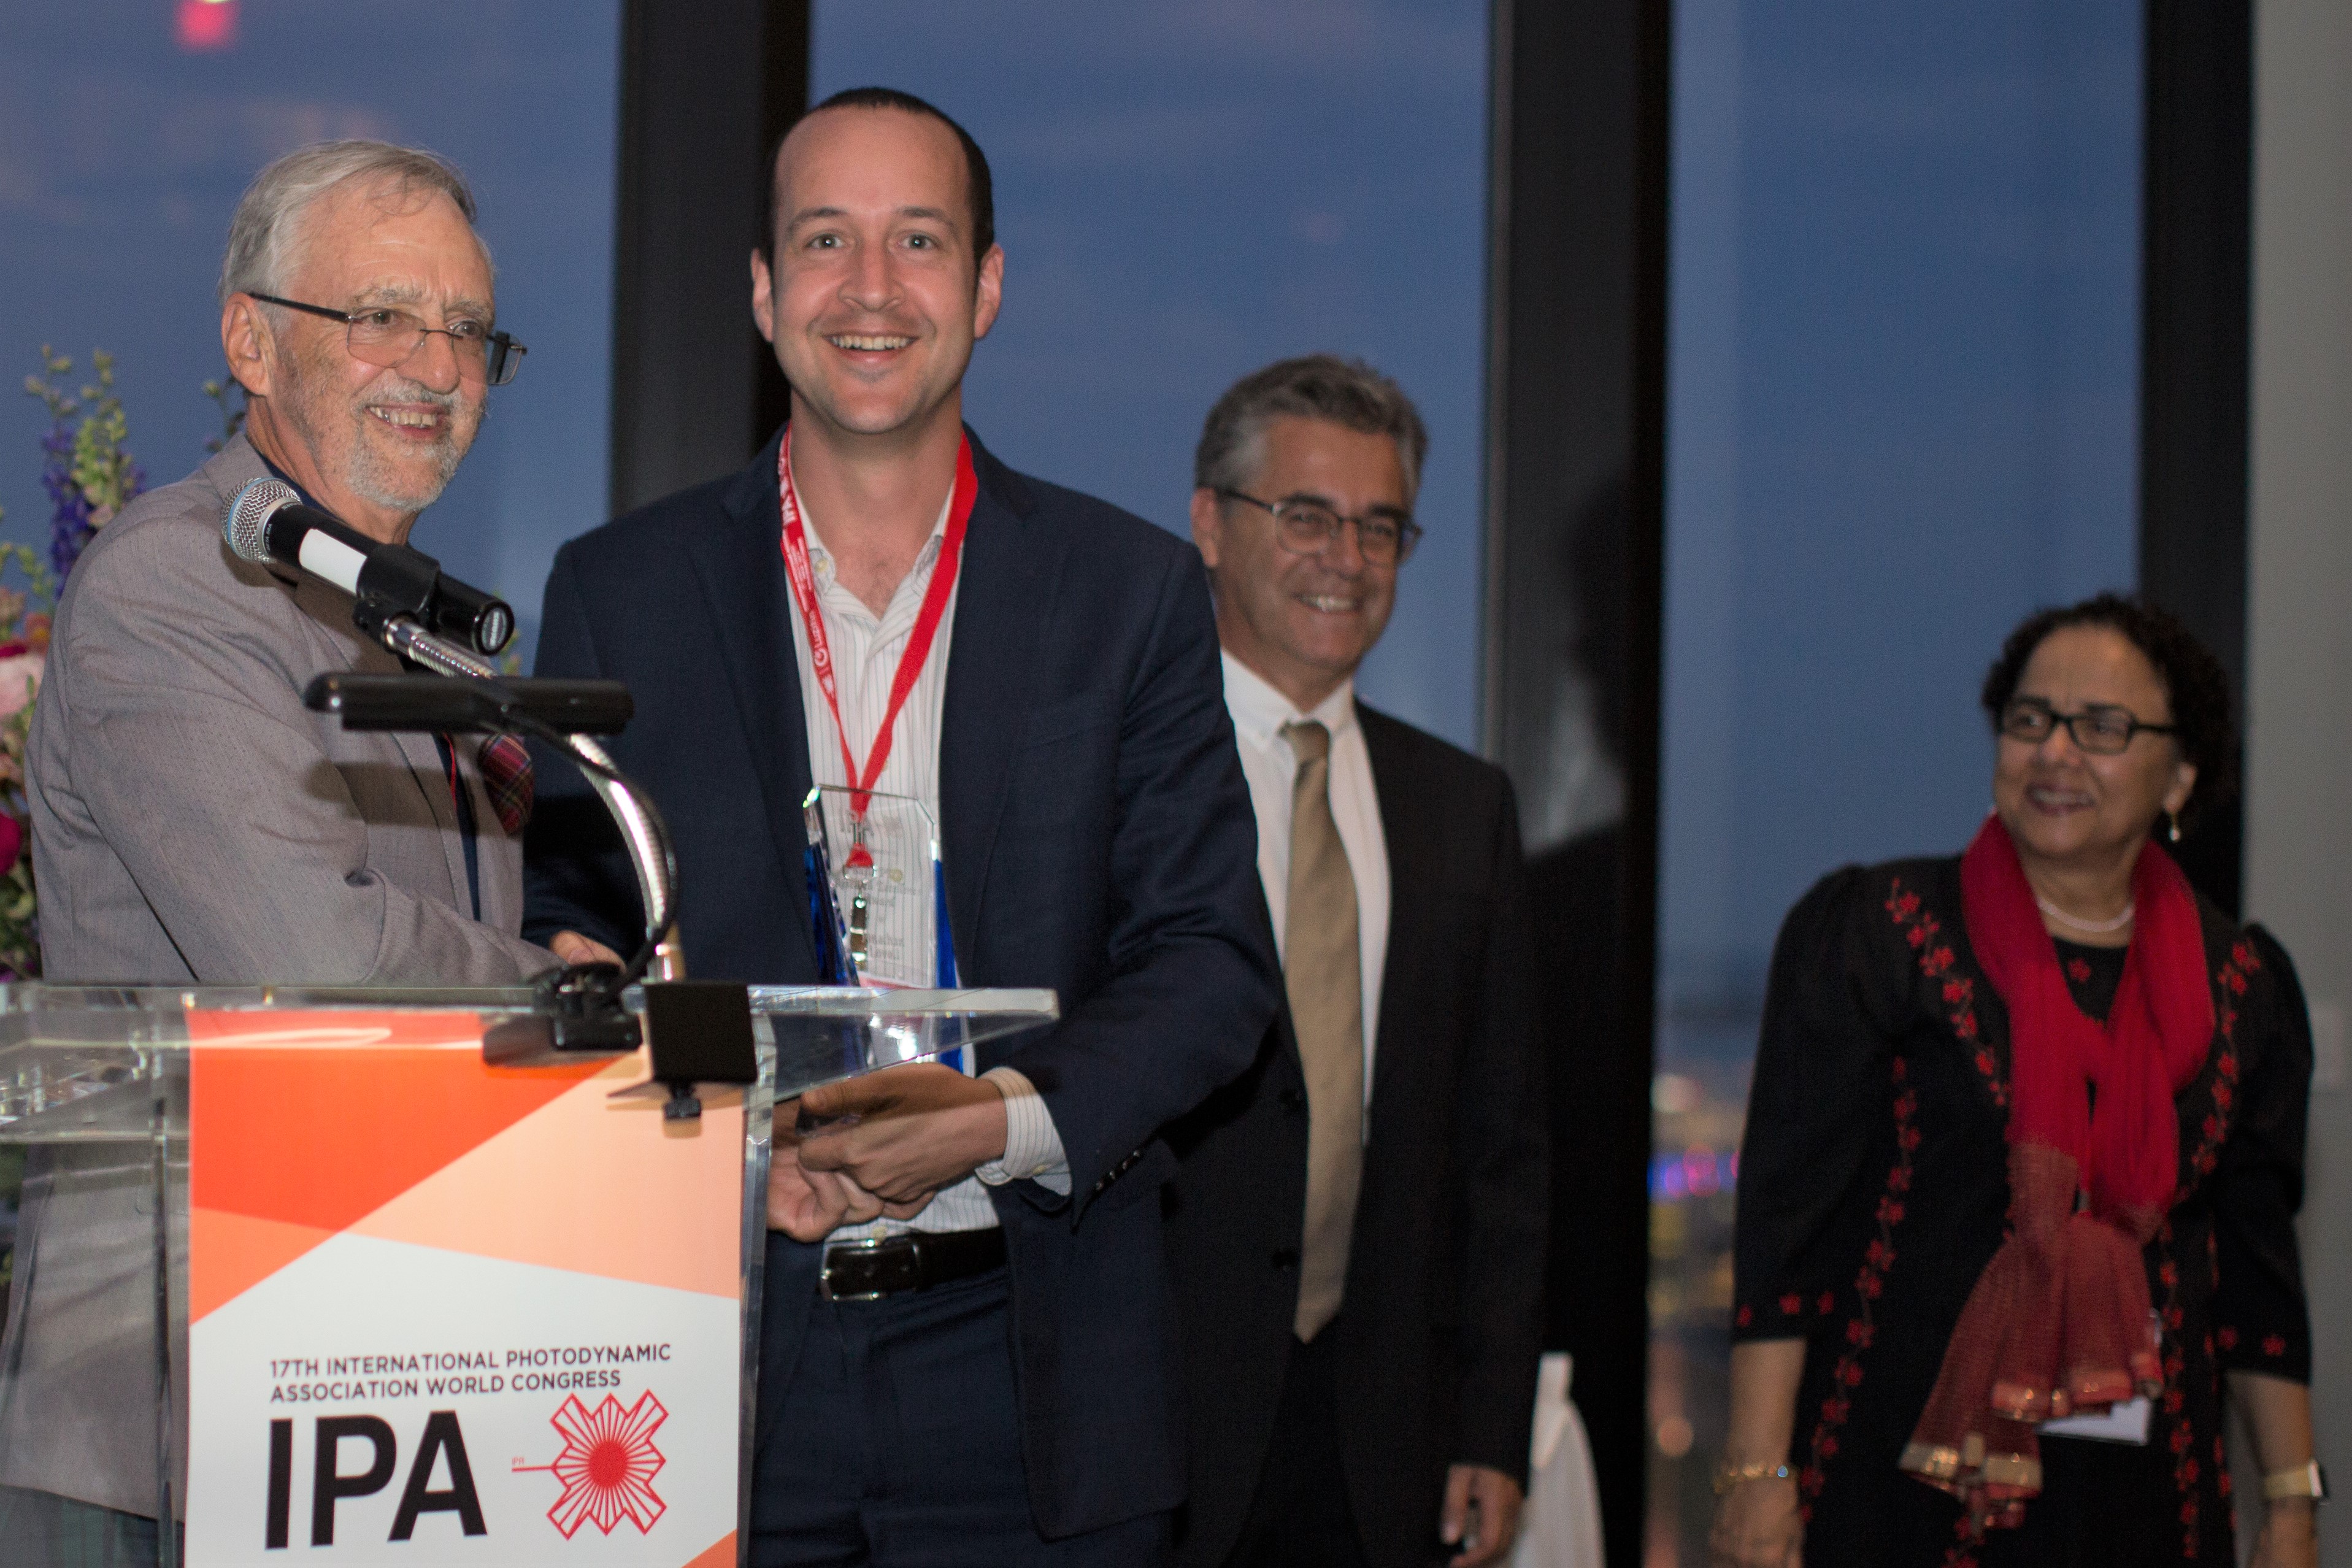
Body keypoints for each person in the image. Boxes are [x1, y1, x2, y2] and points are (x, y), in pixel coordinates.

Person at [522, 88, 1279, 1564]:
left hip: (1033, 1359)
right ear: (761, 289)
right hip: (724, 1348)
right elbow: (579, 951)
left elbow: (1210, 966)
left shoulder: (1125, 595)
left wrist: (992, 1121)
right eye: (825, 241)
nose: (871, 289)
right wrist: (730, 1141)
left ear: (986, 287)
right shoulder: (624, 588)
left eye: (917, 240)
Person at [7, 140, 614, 1556]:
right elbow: (308, 956)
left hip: (380, 1391)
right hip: (169, 1424)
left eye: (469, 329)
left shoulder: (407, 620)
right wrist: (559, 992)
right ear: (252, 341)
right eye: (385, 315)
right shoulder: (176, 587)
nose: (437, 364)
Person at [1711, 593, 2319, 1568]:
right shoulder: (1884, 934)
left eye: (2102, 728)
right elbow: (1789, 1234)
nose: (2054, 753)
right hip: (1894, 1495)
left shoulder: (2239, 988)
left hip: (2149, 1509)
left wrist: (2291, 1509)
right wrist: (1754, 1477)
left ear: (2182, 775)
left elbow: (2252, 1275)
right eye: (2029, 719)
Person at [1164, 355, 1548, 1568]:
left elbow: (1504, 1148)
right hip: (1156, 1421)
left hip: (1383, 1440)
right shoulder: (1127, 780)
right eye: (1309, 516)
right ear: (1211, 526)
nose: (1349, 556)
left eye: (1381, 526)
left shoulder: (1461, 805)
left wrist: (1493, 1422)